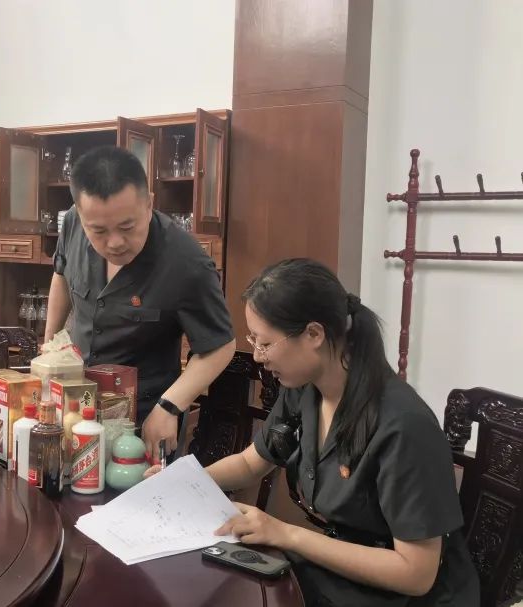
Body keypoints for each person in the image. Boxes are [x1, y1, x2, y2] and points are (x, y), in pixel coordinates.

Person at [146, 258, 479, 606]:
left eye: (265, 343)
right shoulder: (305, 389)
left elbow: (415, 574)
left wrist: (286, 534)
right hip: (343, 574)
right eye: (253, 340)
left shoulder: (404, 425)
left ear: (314, 334)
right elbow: (250, 463)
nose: (258, 357)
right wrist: (184, 481)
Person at [45, 145, 236, 458]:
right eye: (99, 231)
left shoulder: (186, 262)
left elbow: (220, 345)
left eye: (127, 227)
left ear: (149, 204)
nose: (115, 242)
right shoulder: (73, 224)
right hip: (74, 405)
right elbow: (61, 277)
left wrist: (170, 406)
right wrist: (50, 346)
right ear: (80, 214)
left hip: (143, 420)